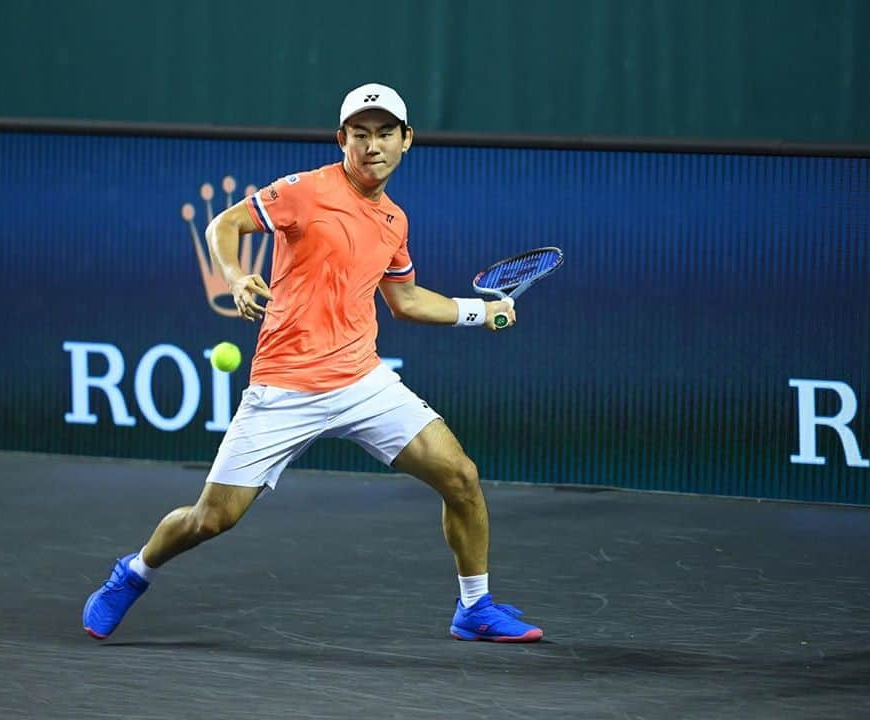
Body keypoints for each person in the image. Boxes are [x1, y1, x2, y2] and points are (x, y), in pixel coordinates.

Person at [82, 82, 543, 643]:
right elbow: (223, 225)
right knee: (212, 518)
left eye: (385, 134)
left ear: (407, 140)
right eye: (360, 135)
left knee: (462, 478)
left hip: (362, 381)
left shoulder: (394, 221)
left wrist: (479, 313)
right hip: (285, 385)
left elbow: (406, 300)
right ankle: (133, 574)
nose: (372, 146)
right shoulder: (303, 191)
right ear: (342, 140)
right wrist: (234, 276)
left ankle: (475, 607)